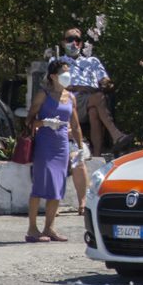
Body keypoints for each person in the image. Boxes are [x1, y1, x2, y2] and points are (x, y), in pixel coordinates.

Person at [25, 57, 84, 242]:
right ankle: (32, 229)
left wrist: (81, 148)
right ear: (52, 76)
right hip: (45, 144)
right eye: (62, 72)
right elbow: (29, 120)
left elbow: (75, 125)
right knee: (40, 186)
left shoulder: (71, 97)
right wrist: (44, 122)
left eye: (68, 71)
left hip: (62, 146)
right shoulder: (43, 95)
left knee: (58, 187)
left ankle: (49, 227)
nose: (67, 75)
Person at [63, 28, 132, 165]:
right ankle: (116, 135)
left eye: (77, 40)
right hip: (71, 100)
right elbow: (53, 85)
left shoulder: (92, 61)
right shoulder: (58, 61)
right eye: (70, 39)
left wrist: (106, 84)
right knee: (98, 98)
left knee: (94, 110)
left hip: (91, 100)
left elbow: (105, 80)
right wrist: (79, 87)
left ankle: (96, 157)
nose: (74, 43)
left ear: (81, 44)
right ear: (63, 42)